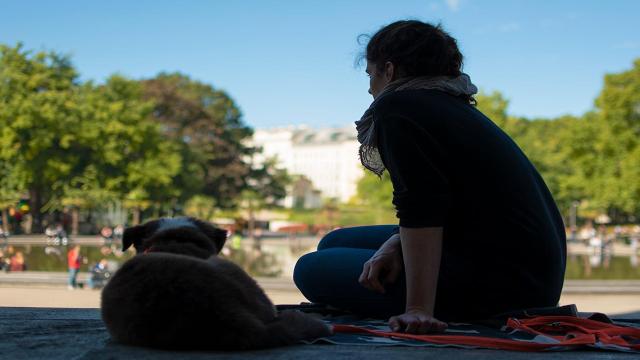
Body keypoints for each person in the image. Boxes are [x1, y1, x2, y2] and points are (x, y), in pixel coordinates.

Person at [294, 20, 566, 334]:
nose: (370, 88)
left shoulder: (397, 107)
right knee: (333, 241)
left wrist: (418, 309)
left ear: (390, 70)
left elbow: (421, 206)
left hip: (503, 290)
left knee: (309, 269)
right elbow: (453, 202)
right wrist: (394, 244)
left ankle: (425, 298)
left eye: (370, 75)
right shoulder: (449, 103)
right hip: (527, 273)